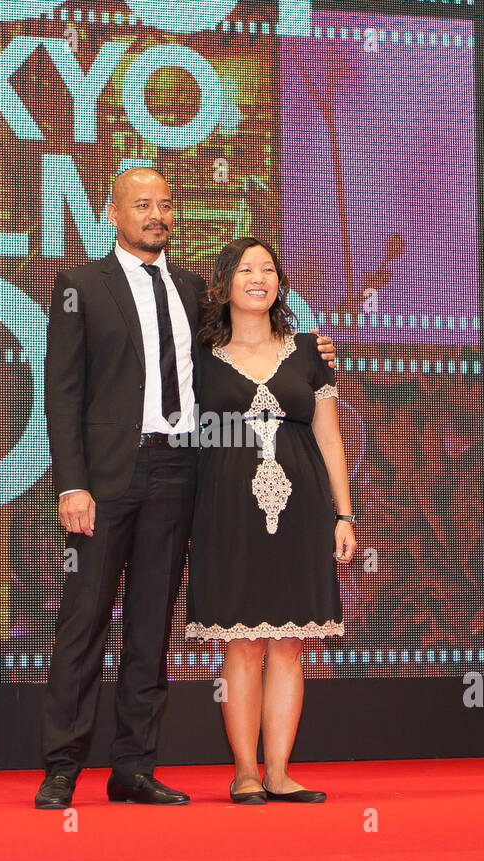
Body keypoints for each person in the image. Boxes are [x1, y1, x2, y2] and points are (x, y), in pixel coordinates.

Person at [36, 169, 336, 809]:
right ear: (112, 212)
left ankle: (133, 768)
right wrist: (72, 485)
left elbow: (254, 335)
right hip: (107, 480)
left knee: (149, 631)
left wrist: (313, 347)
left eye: (166, 204)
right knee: (84, 621)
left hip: (179, 473)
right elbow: (61, 396)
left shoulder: (197, 289)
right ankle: (62, 767)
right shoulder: (80, 287)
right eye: (142, 204)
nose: (157, 214)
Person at [185, 237, 356, 804]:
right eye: (245, 269)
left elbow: (330, 440)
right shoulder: (198, 357)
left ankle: (280, 771)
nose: (259, 278)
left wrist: (344, 514)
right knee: (244, 645)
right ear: (225, 281)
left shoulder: (311, 350)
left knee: (288, 644)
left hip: (304, 512)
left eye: (268, 269)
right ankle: (245, 773)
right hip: (226, 514)